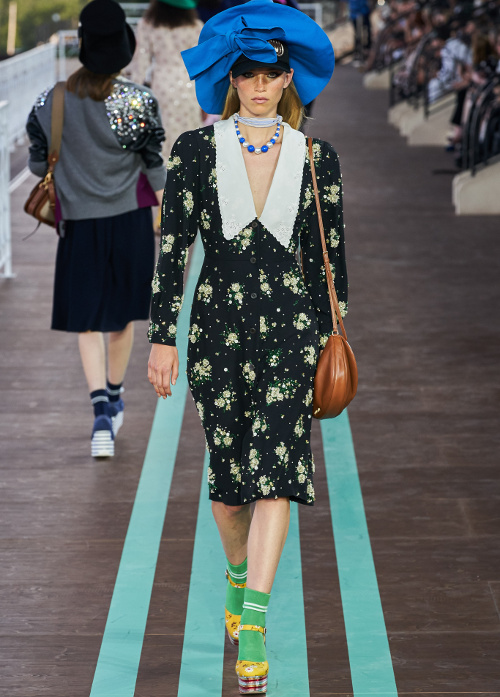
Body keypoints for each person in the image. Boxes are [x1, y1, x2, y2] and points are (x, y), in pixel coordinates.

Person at [147, 0, 348, 692]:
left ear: (289, 78)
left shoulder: (318, 158)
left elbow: (331, 266)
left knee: (277, 474)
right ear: (231, 79)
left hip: (293, 335)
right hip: (216, 337)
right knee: (230, 489)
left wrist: (332, 343)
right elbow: (173, 253)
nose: (260, 86)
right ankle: (237, 576)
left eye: (271, 74)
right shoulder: (194, 152)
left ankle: (254, 620)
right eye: (248, 74)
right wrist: (161, 339)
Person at [26, 0, 166, 459]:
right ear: (125, 48)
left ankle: (100, 414)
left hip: (79, 226)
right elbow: (154, 165)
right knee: (121, 319)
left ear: (82, 44)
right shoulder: (139, 101)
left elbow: (37, 163)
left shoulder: (50, 101)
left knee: (87, 321)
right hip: (130, 221)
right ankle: (116, 394)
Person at [128, 0, 203, 162]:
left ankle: (163, 175)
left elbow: (140, 64)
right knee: (190, 136)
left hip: (161, 86)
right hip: (189, 88)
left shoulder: (147, 25)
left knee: (164, 135)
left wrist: (134, 96)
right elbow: (201, 65)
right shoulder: (196, 26)